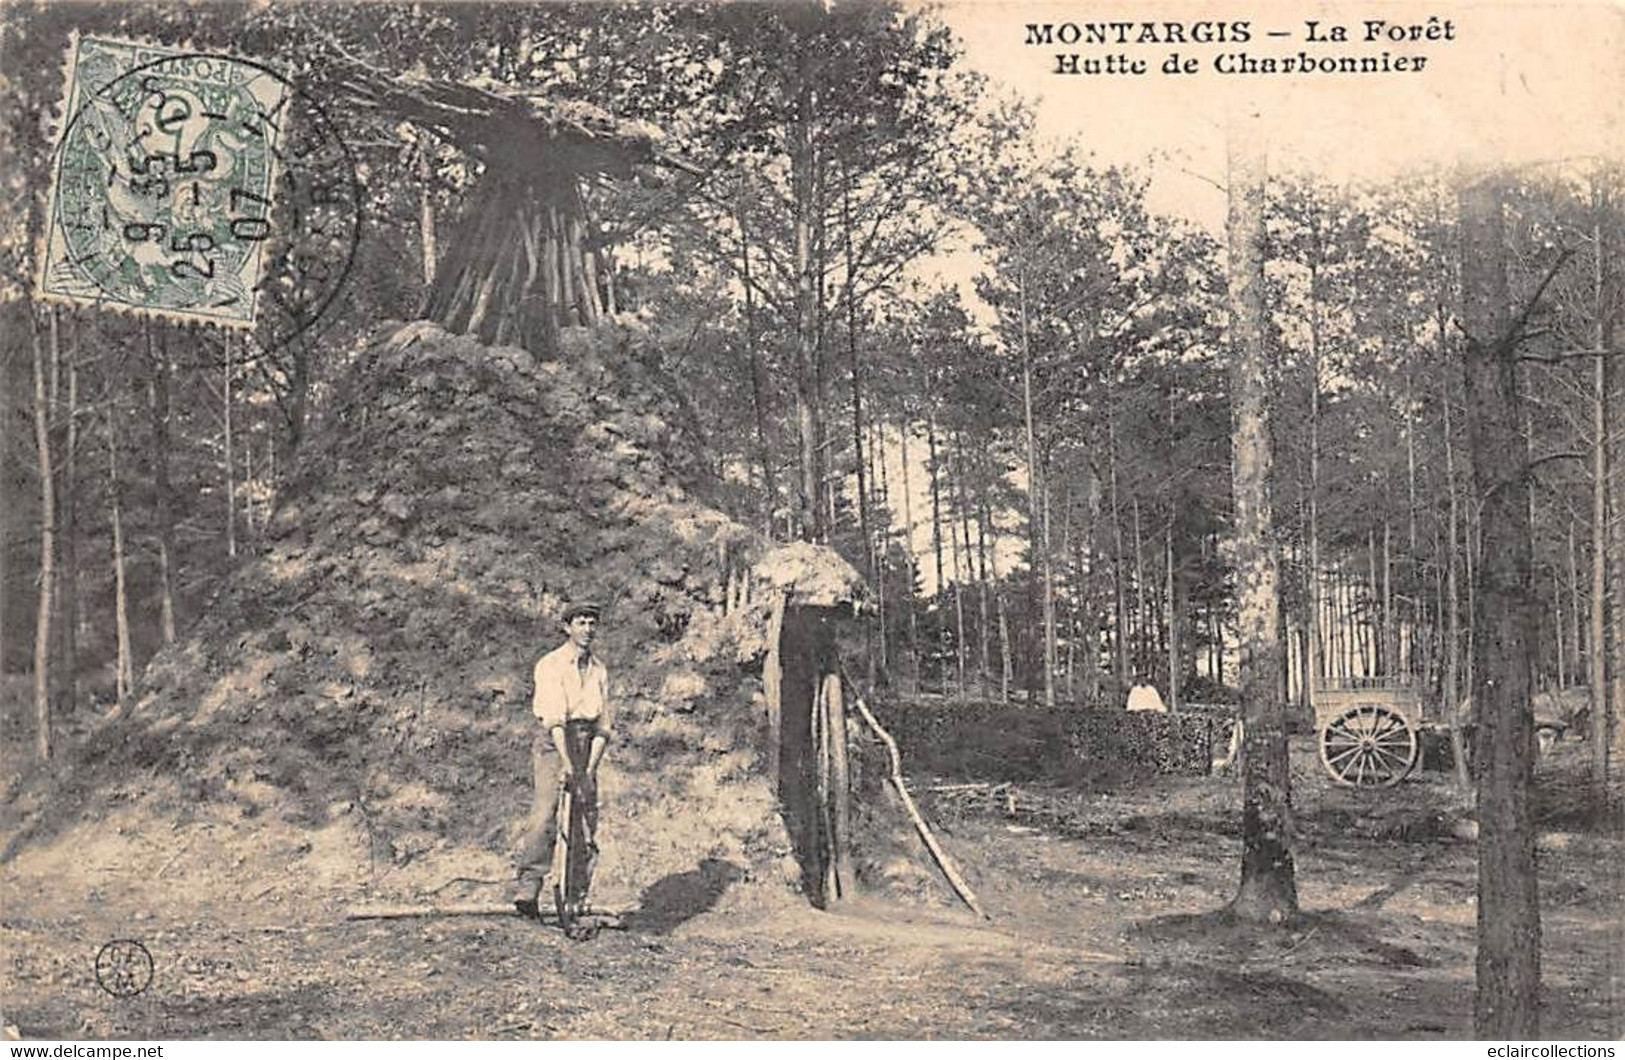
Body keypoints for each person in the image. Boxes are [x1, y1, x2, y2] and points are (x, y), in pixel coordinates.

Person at [513, 602, 614, 919]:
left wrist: (588, 769)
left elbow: (603, 726)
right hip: (554, 741)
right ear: (567, 628)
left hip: (587, 743)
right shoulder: (551, 664)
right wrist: (567, 764)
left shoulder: (599, 670)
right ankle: (528, 890)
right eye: (581, 623)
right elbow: (554, 719)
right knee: (546, 812)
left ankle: (575, 895)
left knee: (584, 816)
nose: (587, 629)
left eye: (591, 623)